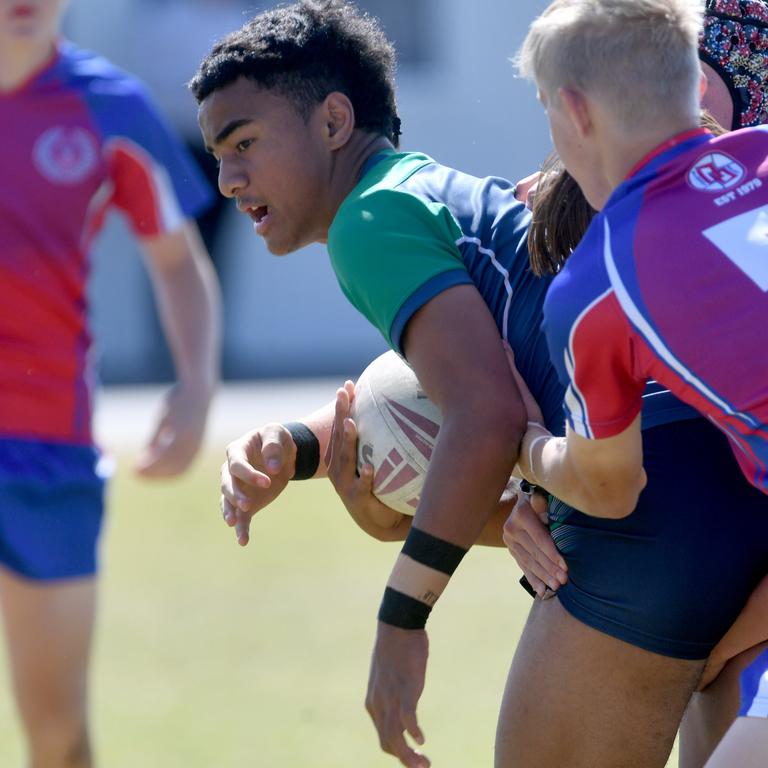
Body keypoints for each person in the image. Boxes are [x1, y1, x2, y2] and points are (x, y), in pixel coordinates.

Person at [196, 2, 767, 767]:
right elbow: (446, 387)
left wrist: (403, 619)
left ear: (334, 122)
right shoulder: (444, 195)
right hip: (724, 481)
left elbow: (489, 415)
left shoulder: (370, 220)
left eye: (244, 144)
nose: (228, 179)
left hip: (651, 506)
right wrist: (301, 446)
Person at [0, 1, 221, 766]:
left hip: (45, 451)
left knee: (58, 739)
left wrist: (195, 385)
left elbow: (177, 260)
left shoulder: (111, 106)